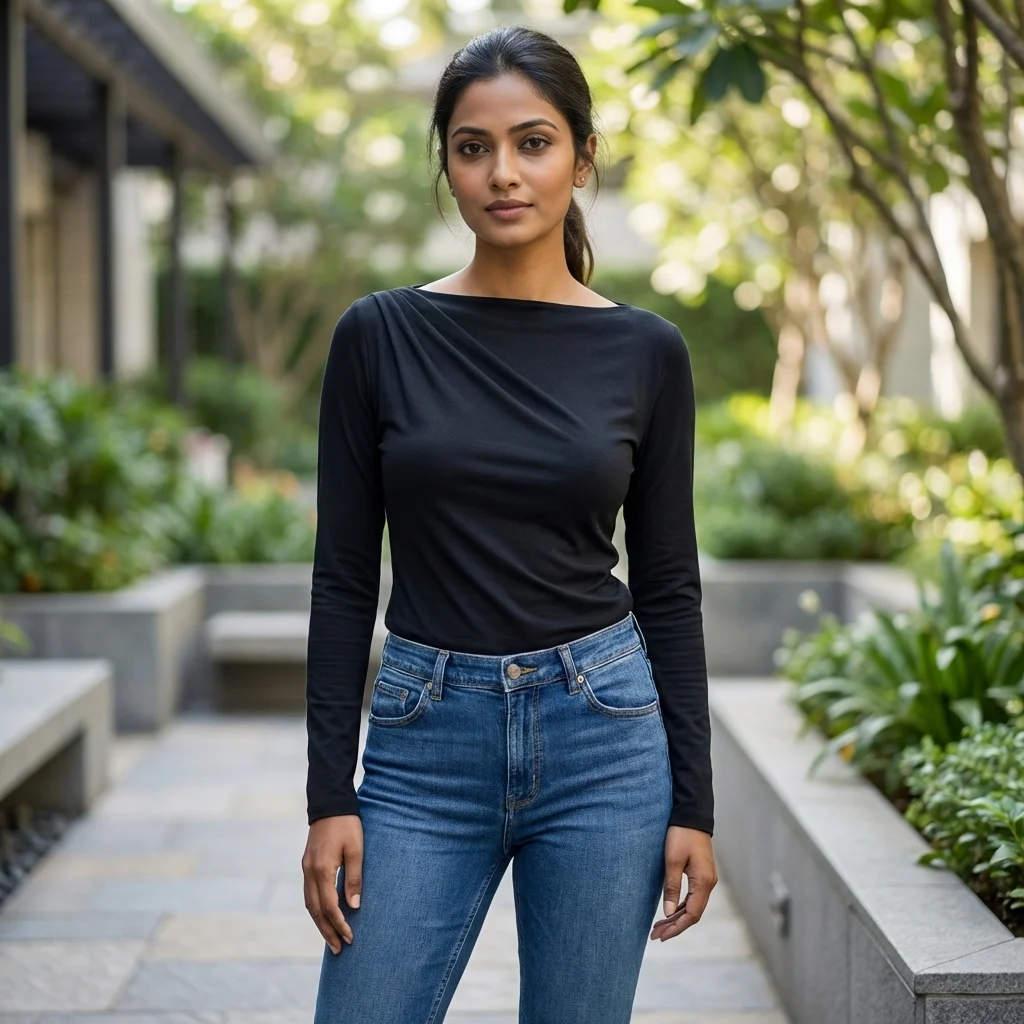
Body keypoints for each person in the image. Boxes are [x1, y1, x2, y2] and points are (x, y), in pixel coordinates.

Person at [301, 23, 717, 1024]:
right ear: (445, 163)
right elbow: (343, 575)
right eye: (472, 146)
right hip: (421, 742)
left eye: (533, 142)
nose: (503, 173)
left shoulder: (644, 351)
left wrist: (694, 806)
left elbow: (666, 582)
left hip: (606, 740)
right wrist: (328, 795)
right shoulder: (379, 336)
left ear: (580, 154)